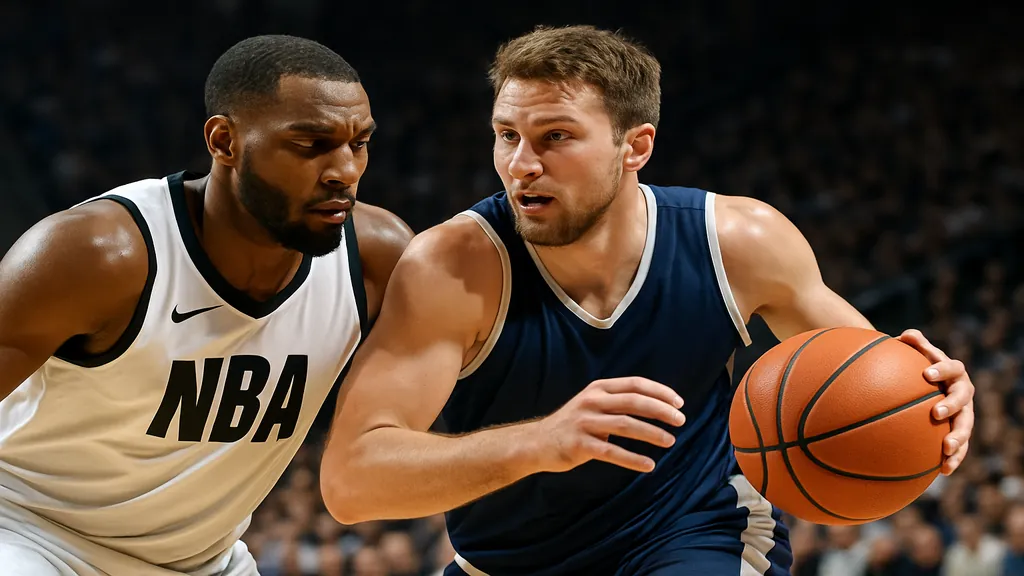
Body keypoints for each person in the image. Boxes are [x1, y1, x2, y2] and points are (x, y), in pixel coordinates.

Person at [320, 25, 976, 576]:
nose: (521, 163)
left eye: (555, 137)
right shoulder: (452, 268)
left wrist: (939, 398)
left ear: (635, 146)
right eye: (506, 135)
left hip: (694, 532)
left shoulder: (738, 243)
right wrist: (542, 443)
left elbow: (876, 382)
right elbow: (351, 482)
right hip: (507, 562)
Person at [0, 35, 412, 575]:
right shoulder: (98, 255)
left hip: (205, 561)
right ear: (224, 141)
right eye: (311, 144)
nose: (345, 170)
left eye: (359, 143)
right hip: (33, 536)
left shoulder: (377, 260)